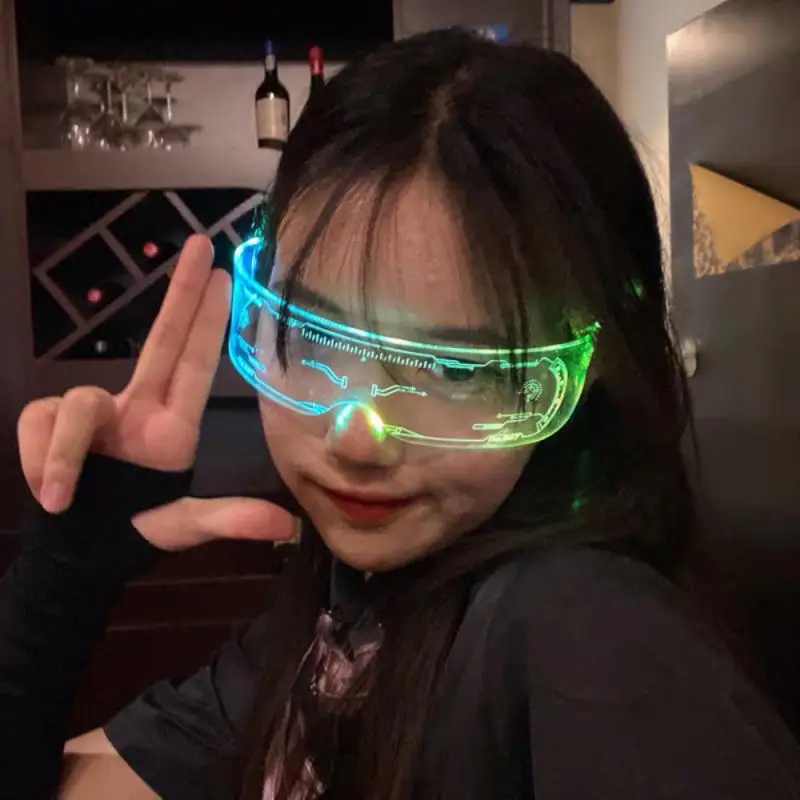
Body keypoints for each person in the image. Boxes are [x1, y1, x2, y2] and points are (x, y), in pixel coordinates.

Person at [1, 27, 799, 800]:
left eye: (455, 368)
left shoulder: (586, 633)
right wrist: (64, 576)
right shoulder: (348, 614)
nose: (356, 437)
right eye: (313, 334)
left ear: (582, 379)